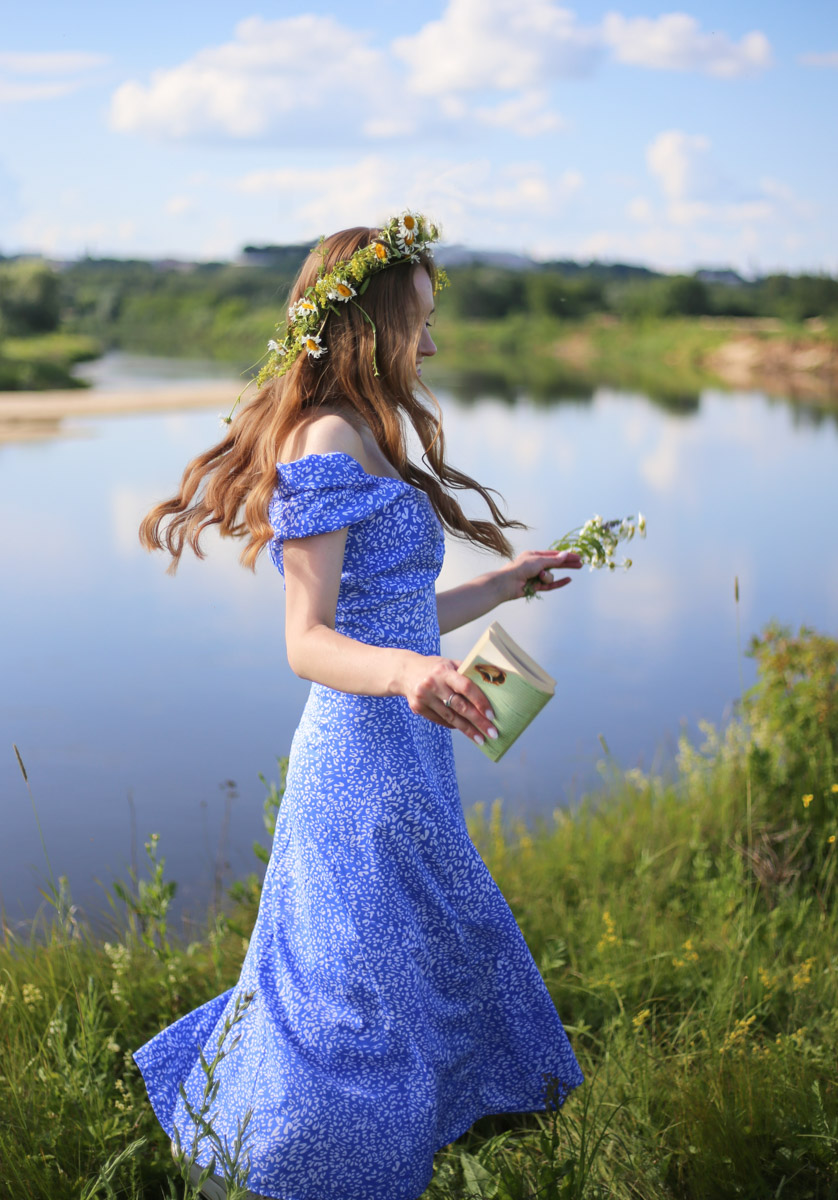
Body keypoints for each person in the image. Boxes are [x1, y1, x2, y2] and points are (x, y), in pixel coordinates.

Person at [133, 212, 584, 1200]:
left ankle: (396, 1153)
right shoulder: (326, 435)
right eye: (417, 320)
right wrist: (412, 677)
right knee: (354, 999)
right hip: (361, 763)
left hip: (409, 755)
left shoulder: (369, 431)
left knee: (410, 970)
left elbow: (392, 616)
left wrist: (505, 585)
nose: (432, 343)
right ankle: (304, 1165)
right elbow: (309, 640)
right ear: (367, 326)